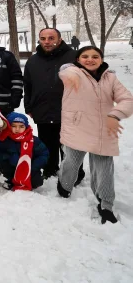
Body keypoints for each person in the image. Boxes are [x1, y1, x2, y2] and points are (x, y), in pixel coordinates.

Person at [56, 46, 133, 224]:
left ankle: (105, 204)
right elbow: (65, 72)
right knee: (71, 162)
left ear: (101, 59)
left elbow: (127, 99)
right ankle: (65, 185)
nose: (90, 59)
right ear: (78, 59)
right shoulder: (73, 72)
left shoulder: (110, 78)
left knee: (104, 169)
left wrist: (115, 114)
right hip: (77, 128)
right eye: (85, 56)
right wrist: (70, 73)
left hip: (103, 130)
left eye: (95, 56)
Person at [23, 27, 77, 178]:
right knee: (47, 143)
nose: (47, 42)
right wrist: (28, 106)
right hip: (42, 109)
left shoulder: (74, 57)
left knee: (69, 145)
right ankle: (49, 169)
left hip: (69, 110)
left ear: (60, 39)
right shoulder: (33, 61)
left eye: (51, 38)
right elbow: (27, 85)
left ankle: (72, 173)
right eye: (43, 39)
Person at [0, 112, 49, 191]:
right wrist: (9, 157)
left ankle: (28, 180)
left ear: (26, 127)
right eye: (14, 126)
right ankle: (11, 180)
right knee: (7, 168)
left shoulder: (33, 140)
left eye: (21, 126)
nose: (17, 129)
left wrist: (34, 166)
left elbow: (43, 154)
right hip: (12, 167)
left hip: (30, 168)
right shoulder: (5, 139)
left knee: (36, 181)